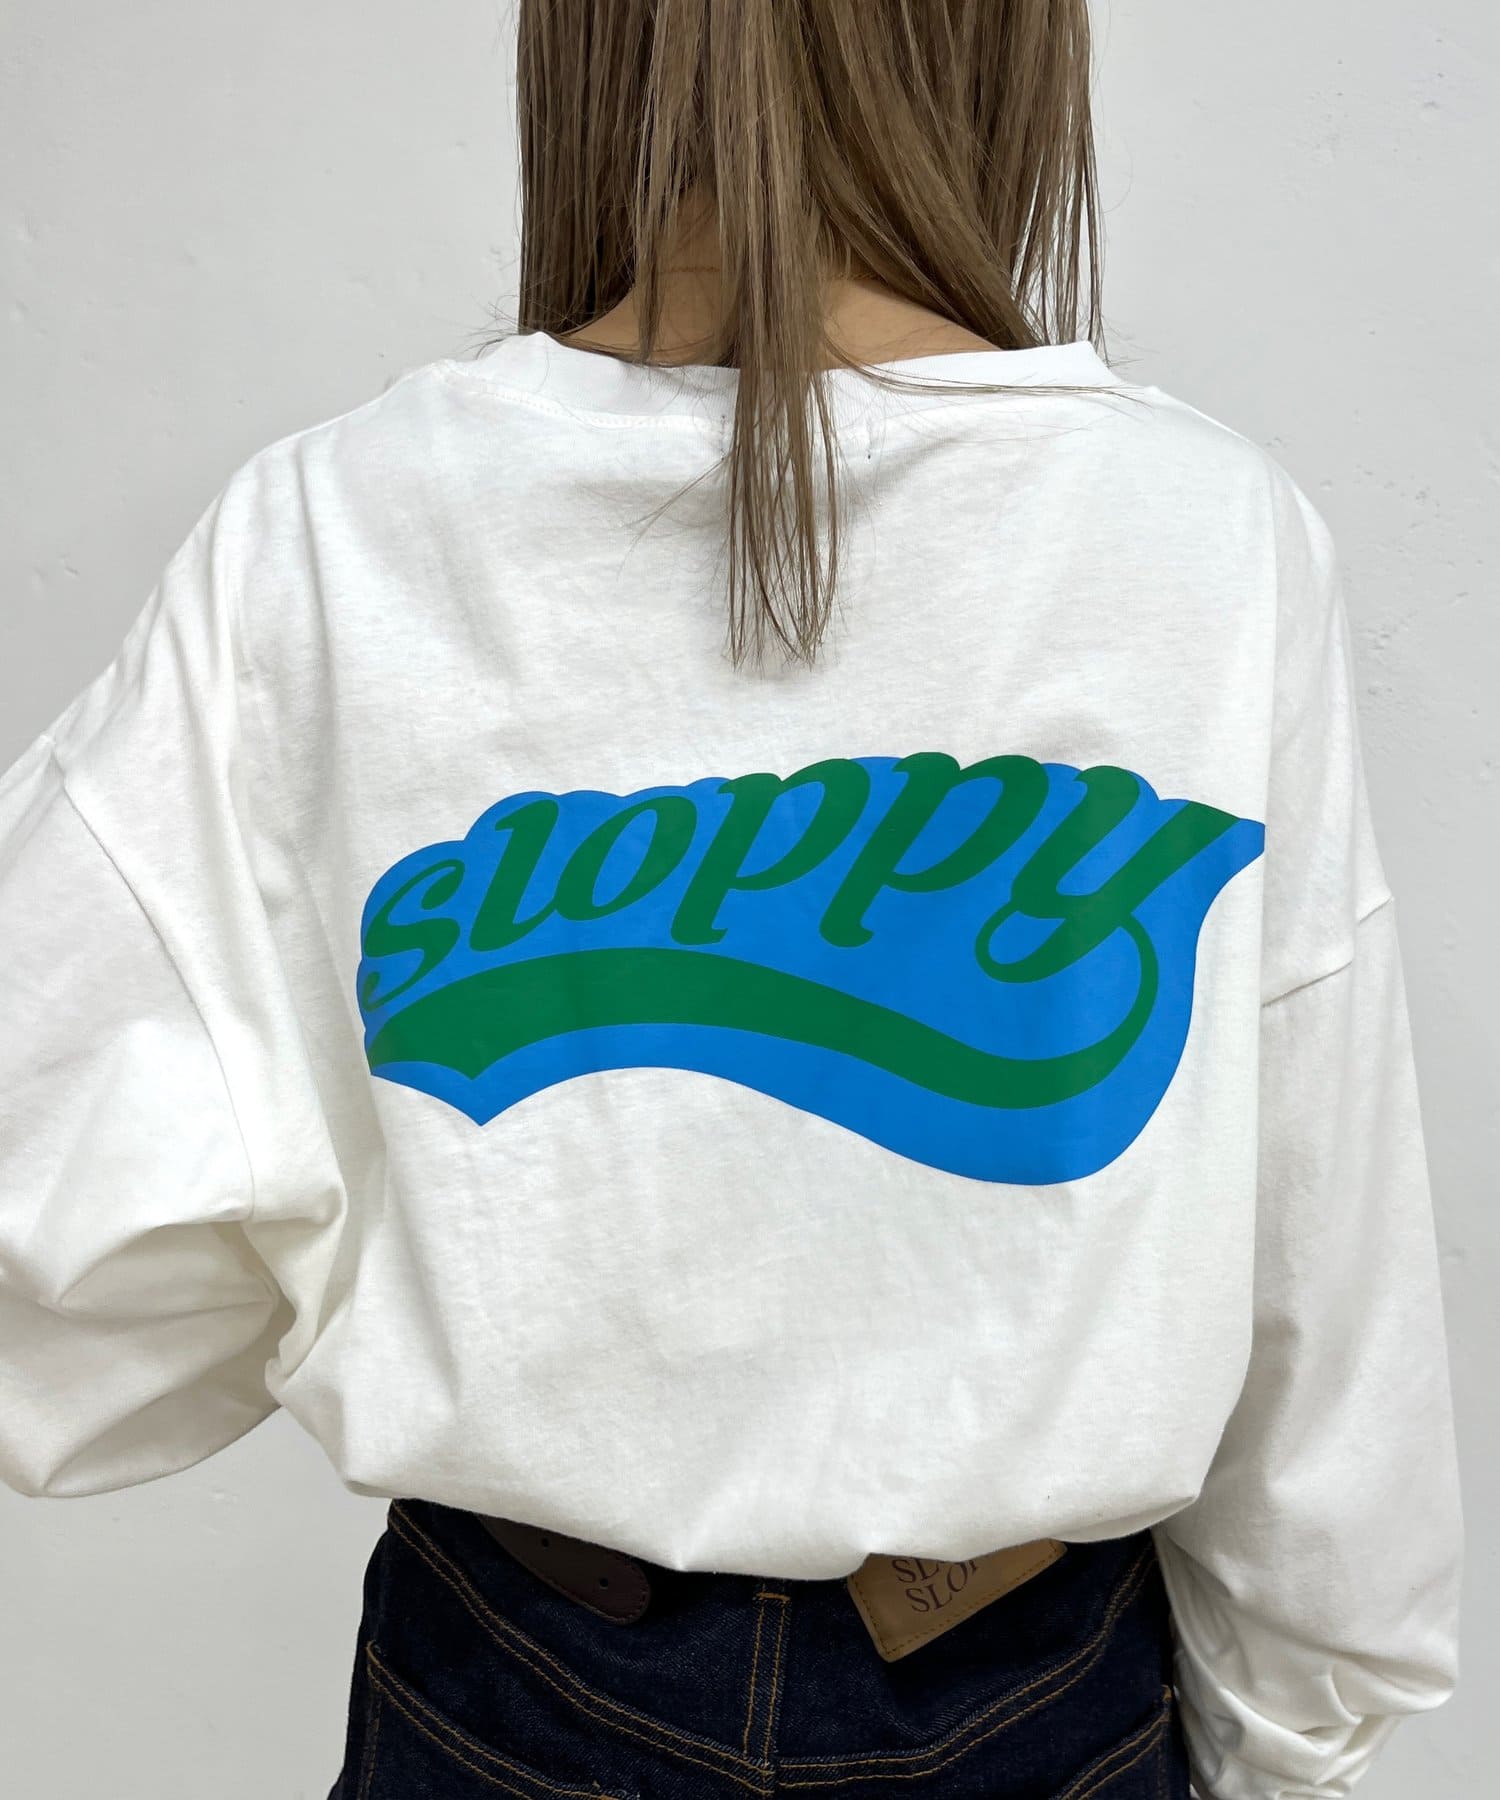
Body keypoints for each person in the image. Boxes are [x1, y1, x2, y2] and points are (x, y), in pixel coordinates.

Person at [0, 3, 1463, 1797]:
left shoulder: (335, 527)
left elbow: (58, 1236)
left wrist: (365, 1252)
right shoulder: (1204, 535)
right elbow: (1317, 1260)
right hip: (1041, 1698)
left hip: (514, 1680)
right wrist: (1299, 1731)